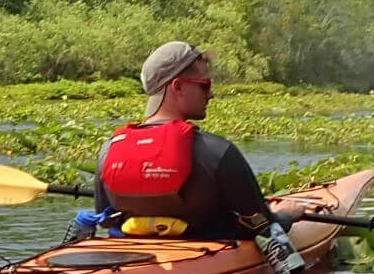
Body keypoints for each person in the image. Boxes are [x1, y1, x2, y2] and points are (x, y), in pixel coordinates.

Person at [88, 42, 303, 243]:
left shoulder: (109, 150)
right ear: (178, 87)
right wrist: (287, 215)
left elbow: (106, 218)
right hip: (208, 258)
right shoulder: (218, 152)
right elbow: (261, 224)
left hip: (131, 258)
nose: (211, 95)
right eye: (204, 86)